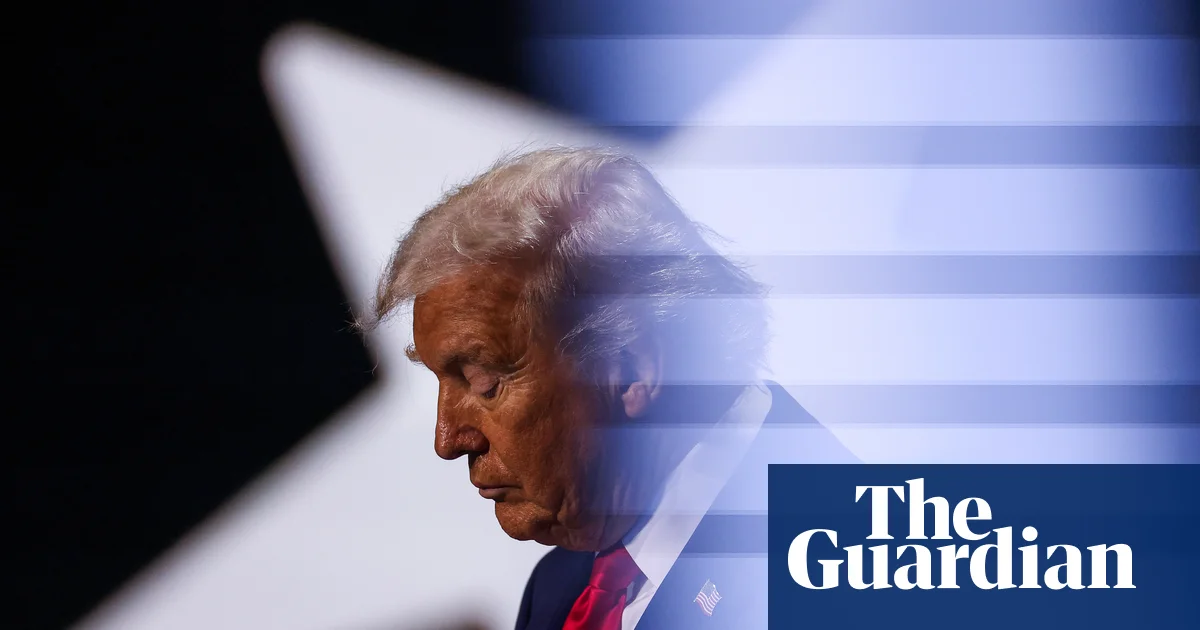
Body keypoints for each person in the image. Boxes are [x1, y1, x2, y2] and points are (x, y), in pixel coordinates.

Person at [364, 147, 856, 629]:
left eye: (484, 384)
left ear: (630, 371)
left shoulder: (851, 565)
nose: (448, 441)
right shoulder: (557, 589)